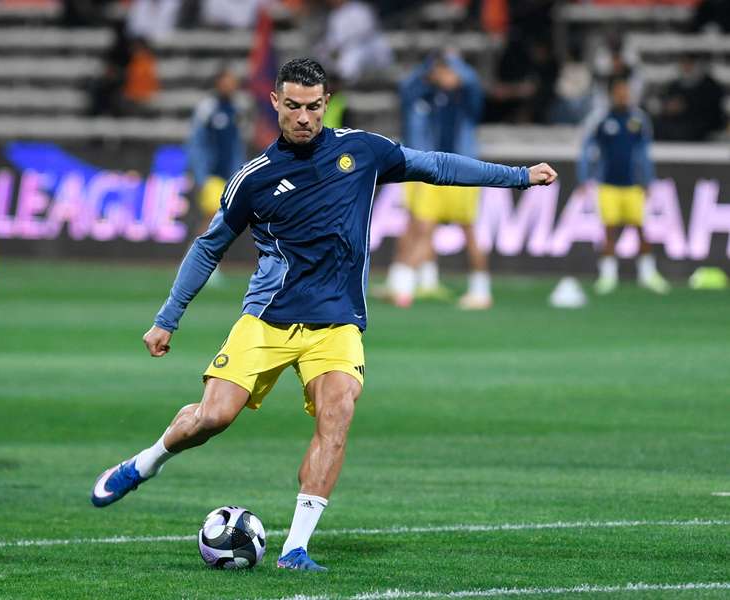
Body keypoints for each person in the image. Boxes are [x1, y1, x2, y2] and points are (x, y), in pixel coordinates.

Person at [90, 58, 557, 571]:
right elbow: (207, 248)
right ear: (275, 102)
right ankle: (146, 462)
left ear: (326, 102)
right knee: (213, 417)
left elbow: (438, 166)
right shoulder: (254, 180)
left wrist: (517, 176)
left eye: (314, 107)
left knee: (338, 413)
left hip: (336, 324)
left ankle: (296, 548)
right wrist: (167, 318)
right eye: (293, 106)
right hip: (268, 319)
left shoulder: (363, 151)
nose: (305, 117)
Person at [381, 53, 491, 309]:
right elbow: (406, 89)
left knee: (468, 230)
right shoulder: (430, 95)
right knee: (422, 227)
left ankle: (481, 291)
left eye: (448, 71)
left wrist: (457, 65)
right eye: (441, 71)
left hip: (463, 173)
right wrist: (428, 68)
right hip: (435, 174)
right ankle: (404, 287)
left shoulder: (466, 99)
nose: (445, 76)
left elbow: (475, 84)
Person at [578, 74, 668, 296]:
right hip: (607, 184)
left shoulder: (638, 120)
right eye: (619, 92)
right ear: (611, 94)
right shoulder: (600, 119)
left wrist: (647, 180)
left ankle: (648, 274)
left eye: (625, 92)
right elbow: (587, 150)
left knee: (641, 229)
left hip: (633, 185)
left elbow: (644, 153)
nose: (623, 96)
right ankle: (608, 276)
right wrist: (584, 178)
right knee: (608, 230)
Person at [186, 67, 246, 284]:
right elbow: (197, 141)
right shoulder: (208, 108)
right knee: (212, 217)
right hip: (211, 173)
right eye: (228, 81)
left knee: (218, 221)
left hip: (227, 175)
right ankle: (201, 264)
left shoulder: (235, 109)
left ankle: (200, 263)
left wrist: (239, 173)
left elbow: (236, 144)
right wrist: (200, 173)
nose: (232, 85)